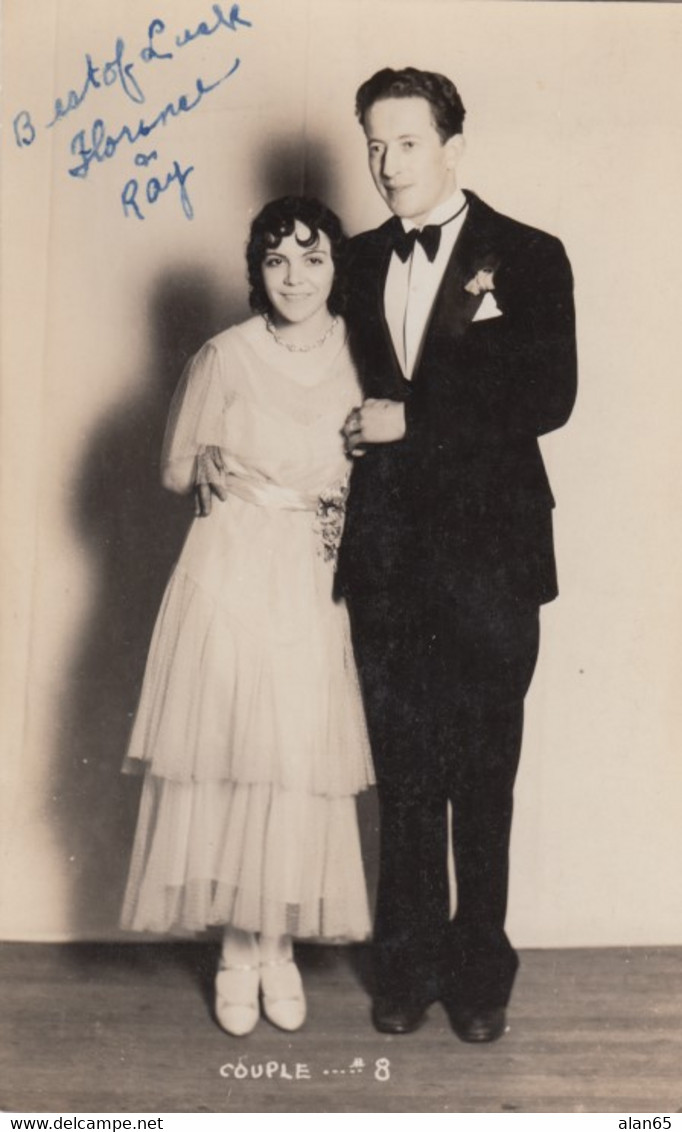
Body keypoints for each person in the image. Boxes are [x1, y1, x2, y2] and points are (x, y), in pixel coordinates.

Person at [338, 67, 577, 1042]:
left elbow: (548, 395)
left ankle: (480, 975)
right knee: (401, 772)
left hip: (489, 559)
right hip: (385, 558)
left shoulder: (527, 254)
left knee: (482, 770)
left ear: (452, 146)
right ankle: (405, 964)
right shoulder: (349, 262)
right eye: (373, 142)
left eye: (405, 142)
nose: (386, 163)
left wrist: (413, 419)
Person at [120, 196, 374, 1038]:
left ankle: (279, 949)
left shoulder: (363, 351)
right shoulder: (225, 354)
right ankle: (237, 949)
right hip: (231, 566)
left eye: (311, 258)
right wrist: (206, 459)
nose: (294, 277)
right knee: (232, 749)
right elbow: (170, 471)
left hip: (313, 570)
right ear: (255, 271)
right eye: (275, 260)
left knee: (295, 758)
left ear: (338, 265)